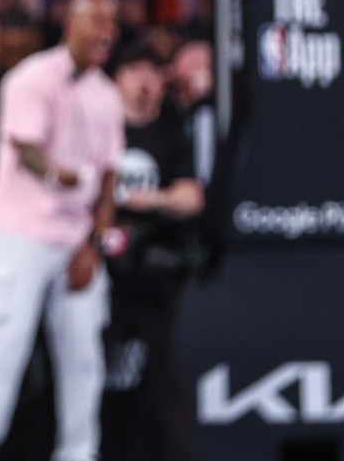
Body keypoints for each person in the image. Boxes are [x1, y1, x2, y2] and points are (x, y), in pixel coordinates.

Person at [0, 0, 124, 461]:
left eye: (112, 24)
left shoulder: (107, 94)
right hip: (21, 235)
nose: (107, 32)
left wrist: (95, 243)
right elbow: (25, 149)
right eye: (97, 21)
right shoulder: (31, 78)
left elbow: (108, 179)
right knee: (2, 347)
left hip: (76, 242)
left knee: (84, 359)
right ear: (71, 25)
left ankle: (79, 453)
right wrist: (57, 173)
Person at [99, 43, 204, 461]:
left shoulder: (170, 130)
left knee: (160, 381)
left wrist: (153, 200)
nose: (144, 80)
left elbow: (192, 196)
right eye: (134, 69)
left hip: (152, 274)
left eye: (153, 71)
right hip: (93, 270)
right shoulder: (98, 126)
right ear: (116, 79)